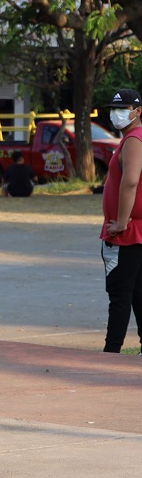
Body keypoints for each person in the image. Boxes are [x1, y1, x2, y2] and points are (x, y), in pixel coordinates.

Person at [99, 88, 142, 353]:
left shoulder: (133, 140)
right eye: (114, 109)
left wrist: (122, 222)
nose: (117, 114)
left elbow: (131, 182)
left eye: (123, 109)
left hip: (128, 232)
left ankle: (111, 352)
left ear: (138, 112)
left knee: (120, 293)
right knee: (137, 292)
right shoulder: (132, 138)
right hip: (135, 230)